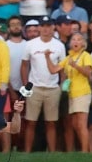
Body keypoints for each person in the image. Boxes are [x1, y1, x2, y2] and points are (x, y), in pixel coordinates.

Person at [21, 16, 66, 152]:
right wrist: (26, 85)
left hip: (52, 88)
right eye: (43, 26)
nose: (46, 29)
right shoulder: (30, 44)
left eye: (48, 26)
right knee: (31, 122)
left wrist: (62, 85)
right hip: (34, 86)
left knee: (51, 122)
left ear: (53, 27)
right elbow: (24, 65)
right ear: (39, 28)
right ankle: (27, 151)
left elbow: (62, 67)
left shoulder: (59, 45)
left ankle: (51, 152)